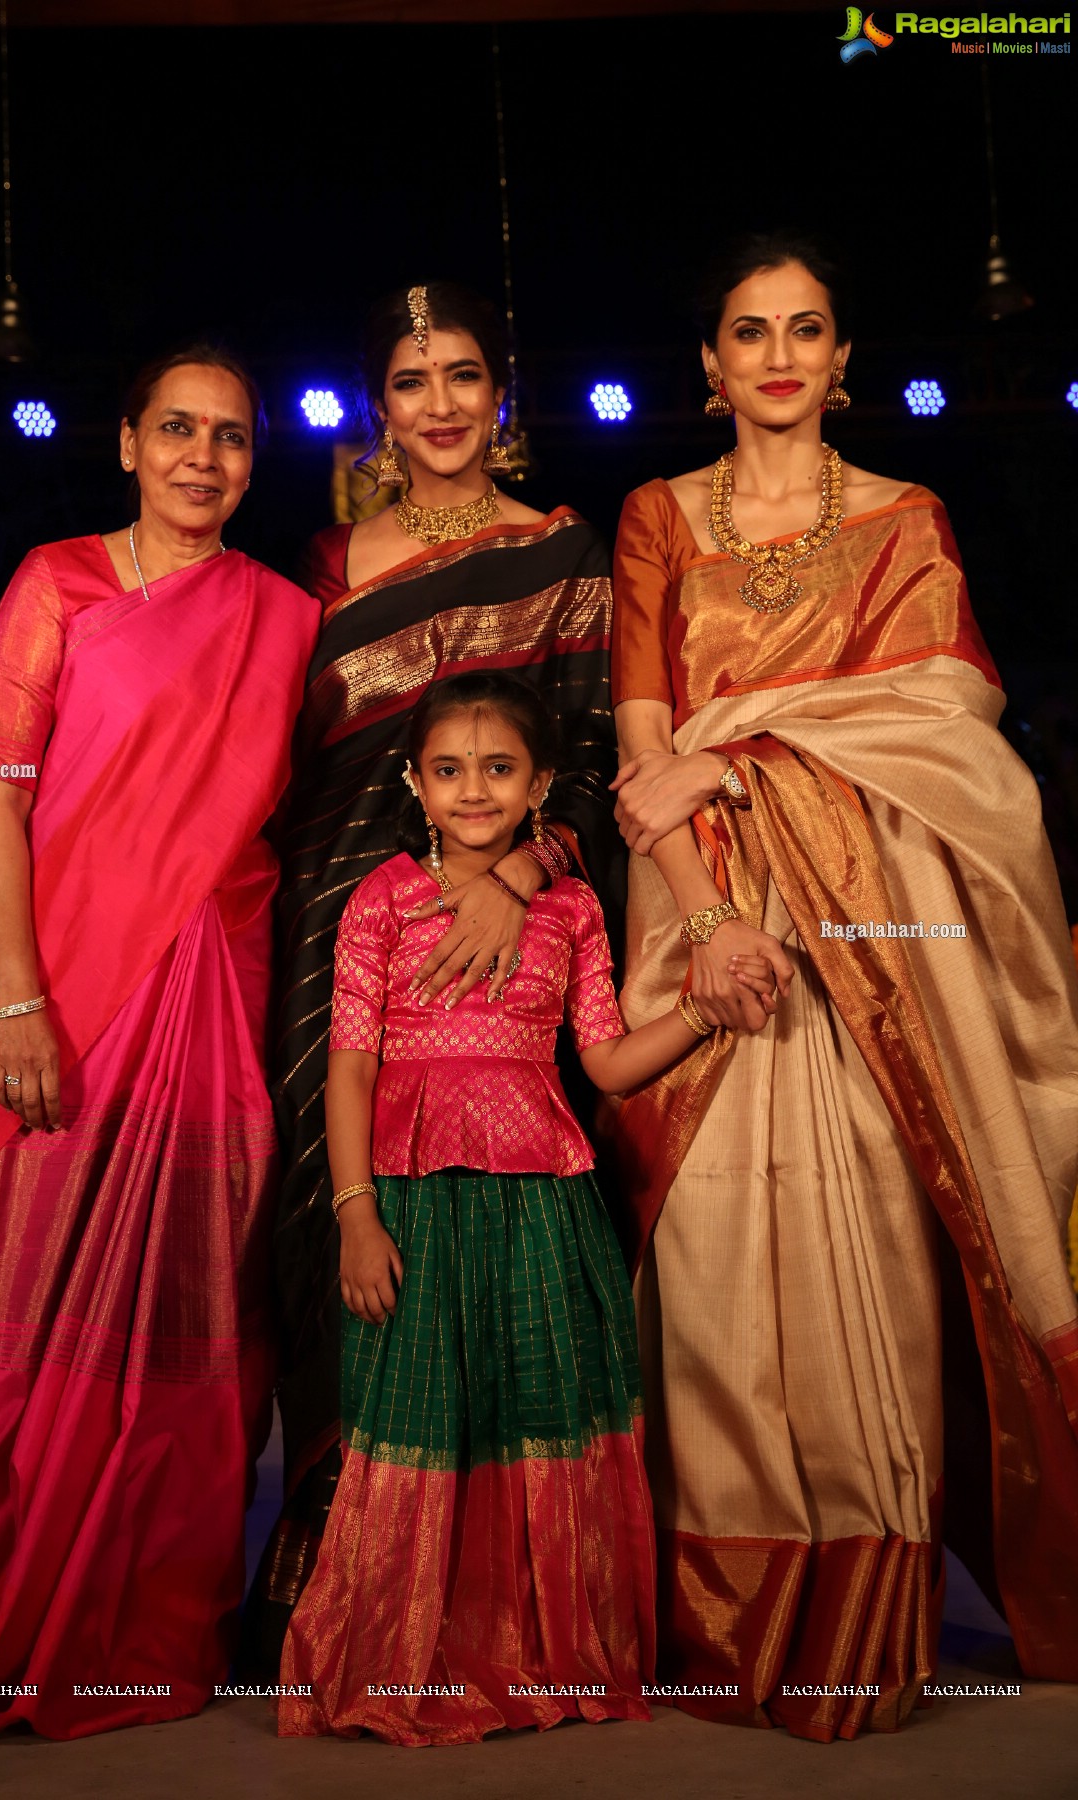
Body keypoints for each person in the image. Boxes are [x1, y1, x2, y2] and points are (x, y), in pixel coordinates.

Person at [609, 232, 1078, 1742]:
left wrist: (745, 745)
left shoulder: (905, 518)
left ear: (844, 355)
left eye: (807, 330)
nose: (780, 357)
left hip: (870, 941)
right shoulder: (656, 519)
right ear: (710, 365)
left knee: (865, 1245)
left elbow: (951, 731)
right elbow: (639, 758)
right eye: (749, 333)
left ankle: (868, 1619)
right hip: (703, 918)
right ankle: (736, 1615)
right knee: (719, 1266)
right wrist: (711, 923)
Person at [0, 347, 320, 1747]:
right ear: (126, 443)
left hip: (213, 983)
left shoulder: (282, 616)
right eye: (178, 430)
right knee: (13, 1298)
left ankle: (136, 1618)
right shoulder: (54, 583)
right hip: (53, 976)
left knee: (180, 1298)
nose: (204, 457)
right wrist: (20, 994)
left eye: (233, 438)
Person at [275, 671, 776, 1743]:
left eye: (498, 769)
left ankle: (536, 1648)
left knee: (531, 1414)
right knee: (416, 1423)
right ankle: (403, 1654)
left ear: (540, 783)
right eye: (448, 771)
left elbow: (605, 1061)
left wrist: (699, 1007)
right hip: (410, 1205)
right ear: (414, 782)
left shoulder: (573, 908)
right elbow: (351, 1071)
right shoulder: (381, 902)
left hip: (544, 1208)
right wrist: (356, 1214)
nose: (472, 791)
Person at [246, 282, 622, 1661]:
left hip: (520, 923)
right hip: (339, 926)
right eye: (413, 380)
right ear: (380, 409)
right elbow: (303, 768)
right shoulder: (330, 563)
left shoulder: (563, 547)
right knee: (328, 1220)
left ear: (501, 394)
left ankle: (500, 1570)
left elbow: (589, 752)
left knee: (507, 1227)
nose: (444, 403)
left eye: (465, 374)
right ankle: (340, 1563)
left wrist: (519, 878)